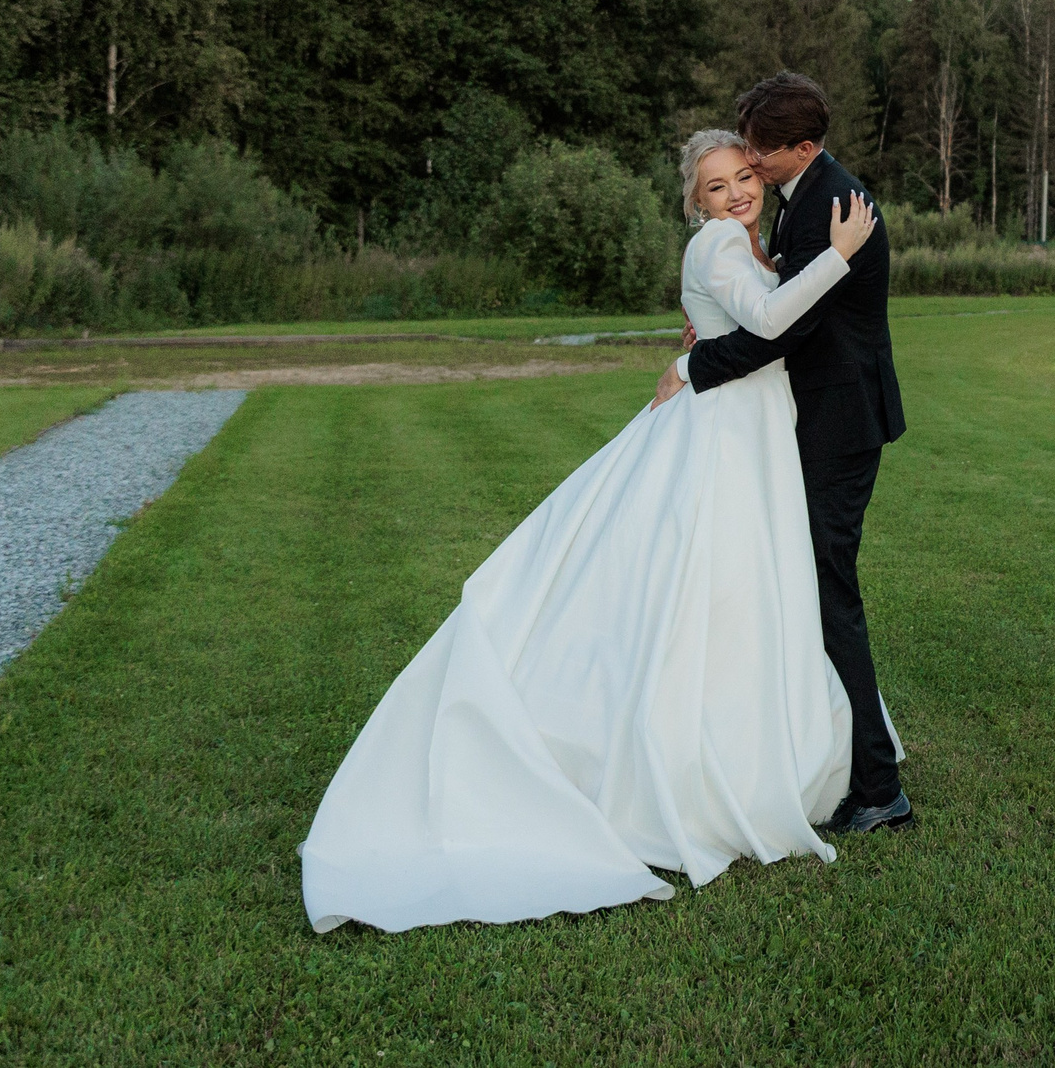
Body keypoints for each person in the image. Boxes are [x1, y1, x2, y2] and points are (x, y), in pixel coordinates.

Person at [298, 127, 885, 933]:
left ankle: (764, 747)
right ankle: (705, 764)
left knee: (745, 586)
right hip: (723, 434)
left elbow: (753, 314)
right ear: (695, 202)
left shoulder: (750, 244)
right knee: (714, 583)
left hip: (751, 428)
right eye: (716, 186)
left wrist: (715, 328)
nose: (736, 194)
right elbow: (772, 320)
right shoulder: (719, 243)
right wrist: (839, 255)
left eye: (744, 177)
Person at [654, 71, 911, 834]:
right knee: (798, 586)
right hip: (811, 417)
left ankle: (877, 786)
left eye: (758, 156)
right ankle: (826, 752)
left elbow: (782, 328)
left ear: (800, 148)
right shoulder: (800, 198)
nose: (751, 169)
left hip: (838, 423)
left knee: (828, 593)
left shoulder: (832, 206)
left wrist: (695, 365)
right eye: (731, 169)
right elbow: (766, 309)